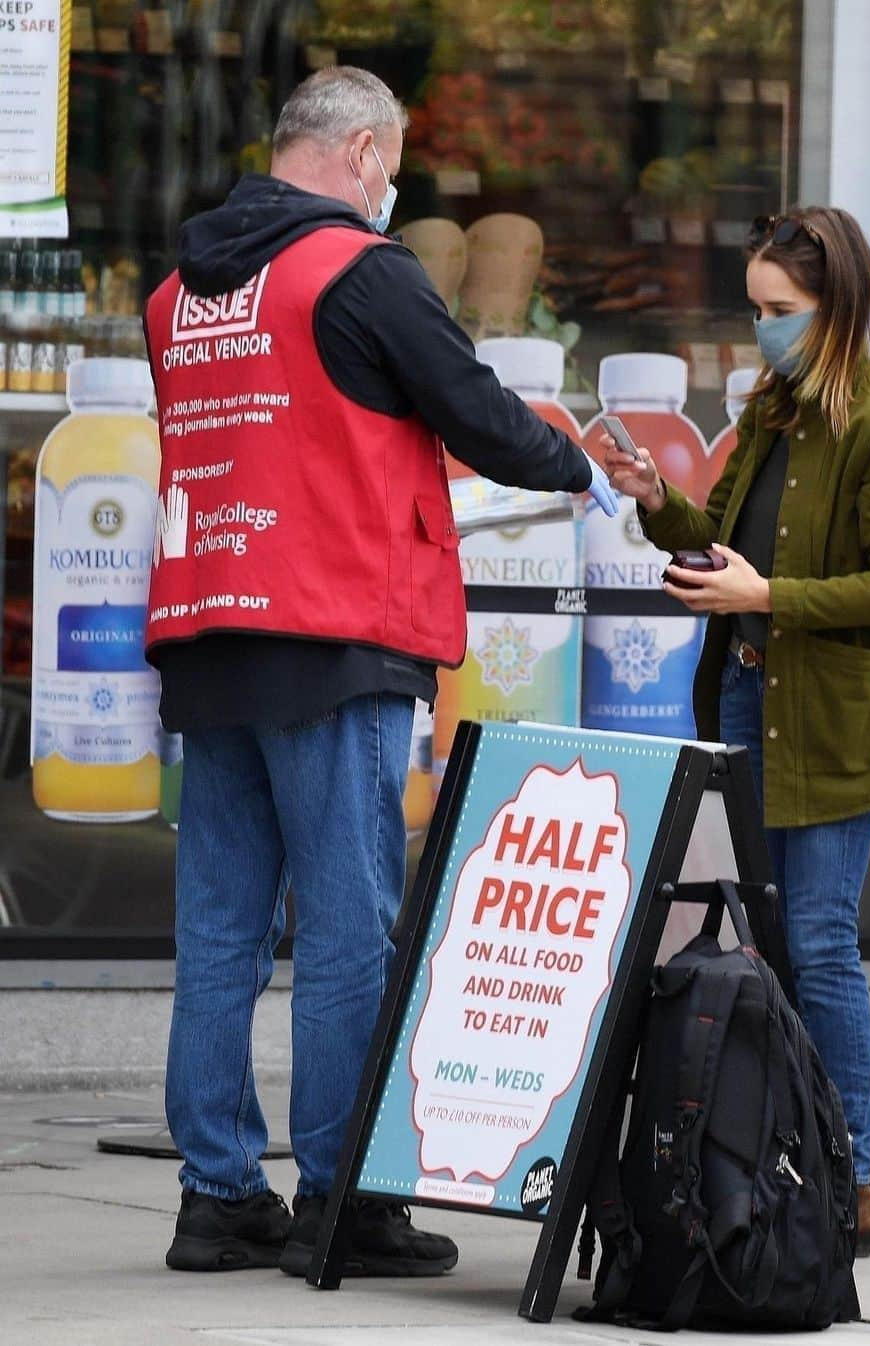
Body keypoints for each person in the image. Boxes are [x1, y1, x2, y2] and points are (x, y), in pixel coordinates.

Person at [142, 66, 618, 1277]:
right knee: (348, 928)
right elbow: (472, 409)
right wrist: (581, 465)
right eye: (391, 164)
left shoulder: (174, 295)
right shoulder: (360, 269)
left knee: (221, 932)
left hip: (209, 634)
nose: (390, 187)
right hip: (334, 634)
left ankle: (216, 1194)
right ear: (361, 151)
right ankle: (343, 1197)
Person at [599, 206, 870, 1259]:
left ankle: (853, 1174)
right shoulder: (773, 415)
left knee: (821, 943)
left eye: (780, 311)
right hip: (750, 700)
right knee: (773, 943)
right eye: (754, 310)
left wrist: (769, 593)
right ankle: (788, 1149)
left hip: (835, 724)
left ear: (836, 309)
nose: (762, 330)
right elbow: (725, 548)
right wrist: (661, 504)